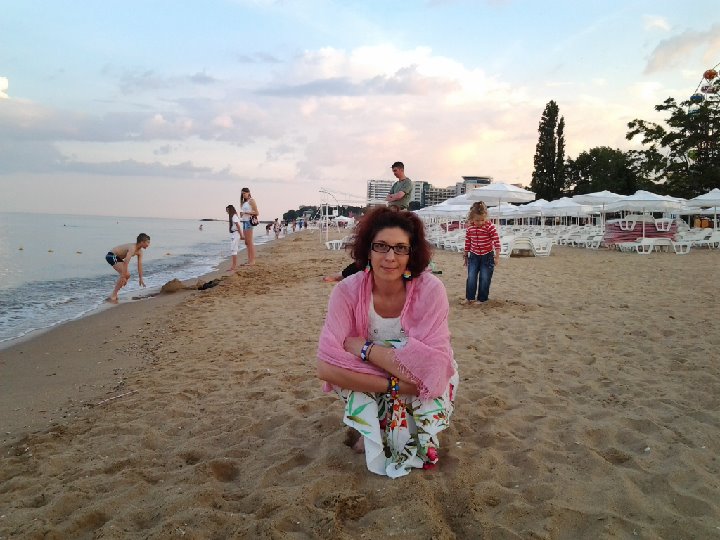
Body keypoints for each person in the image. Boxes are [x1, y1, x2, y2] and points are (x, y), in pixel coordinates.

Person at [316, 207, 458, 478]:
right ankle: (373, 427)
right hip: (392, 379)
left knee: (415, 445)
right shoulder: (346, 291)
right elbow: (326, 368)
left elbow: (434, 370)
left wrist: (365, 348)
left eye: (400, 248)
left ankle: (392, 427)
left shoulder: (431, 290)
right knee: (352, 376)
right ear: (368, 249)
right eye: (381, 246)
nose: (390, 257)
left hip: (403, 377)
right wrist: (396, 384)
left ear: (411, 254)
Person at [462, 201, 501, 304]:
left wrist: (497, 257)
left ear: (486, 217)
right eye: (477, 220)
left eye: (482, 220)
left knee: (485, 278)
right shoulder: (470, 228)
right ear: (472, 218)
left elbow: (497, 242)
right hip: (473, 255)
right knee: (471, 277)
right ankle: (470, 298)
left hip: (487, 256)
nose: (480, 222)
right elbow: (467, 242)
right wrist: (465, 256)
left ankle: (482, 299)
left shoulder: (490, 227)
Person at [105, 233, 150, 304]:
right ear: (142, 242)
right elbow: (126, 262)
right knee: (125, 275)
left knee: (127, 275)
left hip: (118, 258)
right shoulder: (132, 248)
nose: (148, 245)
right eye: (147, 242)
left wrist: (141, 278)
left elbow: (140, 265)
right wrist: (123, 276)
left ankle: (114, 294)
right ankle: (113, 295)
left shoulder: (140, 252)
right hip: (111, 256)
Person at [239, 187, 259, 265]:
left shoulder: (251, 201)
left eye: (244, 193)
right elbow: (245, 212)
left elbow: (257, 213)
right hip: (244, 222)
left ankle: (252, 261)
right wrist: (242, 214)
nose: (243, 195)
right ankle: (249, 260)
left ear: (248, 193)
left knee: (250, 242)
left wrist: (246, 213)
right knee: (247, 242)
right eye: (242, 193)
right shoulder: (244, 202)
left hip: (249, 222)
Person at [226, 204, 243, 272]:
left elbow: (238, 226)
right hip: (235, 233)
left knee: (233, 250)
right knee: (233, 249)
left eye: (227, 210)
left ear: (230, 210)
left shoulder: (234, 216)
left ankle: (234, 266)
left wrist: (241, 235)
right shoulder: (234, 216)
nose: (227, 212)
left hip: (236, 234)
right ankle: (234, 266)